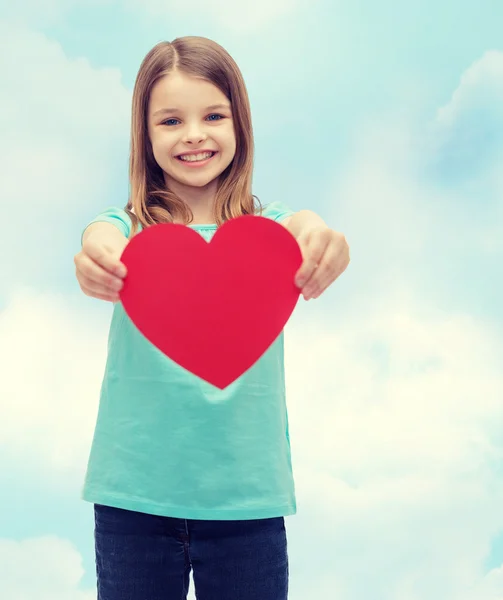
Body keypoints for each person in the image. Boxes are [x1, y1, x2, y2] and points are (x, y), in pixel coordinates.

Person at [74, 36, 349, 600]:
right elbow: (97, 239)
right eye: (171, 120)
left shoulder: (272, 230)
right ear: (145, 137)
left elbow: (307, 228)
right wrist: (94, 258)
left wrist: (323, 236)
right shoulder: (127, 229)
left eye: (213, 115)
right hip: (134, 499)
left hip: (247, 501)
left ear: (239, 124)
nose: (194, 134)